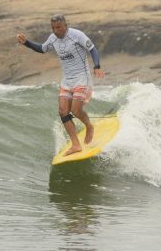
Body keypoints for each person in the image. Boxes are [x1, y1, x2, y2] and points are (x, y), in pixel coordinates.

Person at [17, 14, 105, 156]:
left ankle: (89, 126)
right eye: (53, 28)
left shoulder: (77, 35)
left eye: (58, 27)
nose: (55, 31)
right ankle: (76, 145)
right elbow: (42, 49)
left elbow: (92, 49)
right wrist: (26, 42)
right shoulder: (52, 39)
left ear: (65, 25)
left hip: (82, 77)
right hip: (67, 80)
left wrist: (97, 66)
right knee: (63, 111)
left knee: (76, 111)